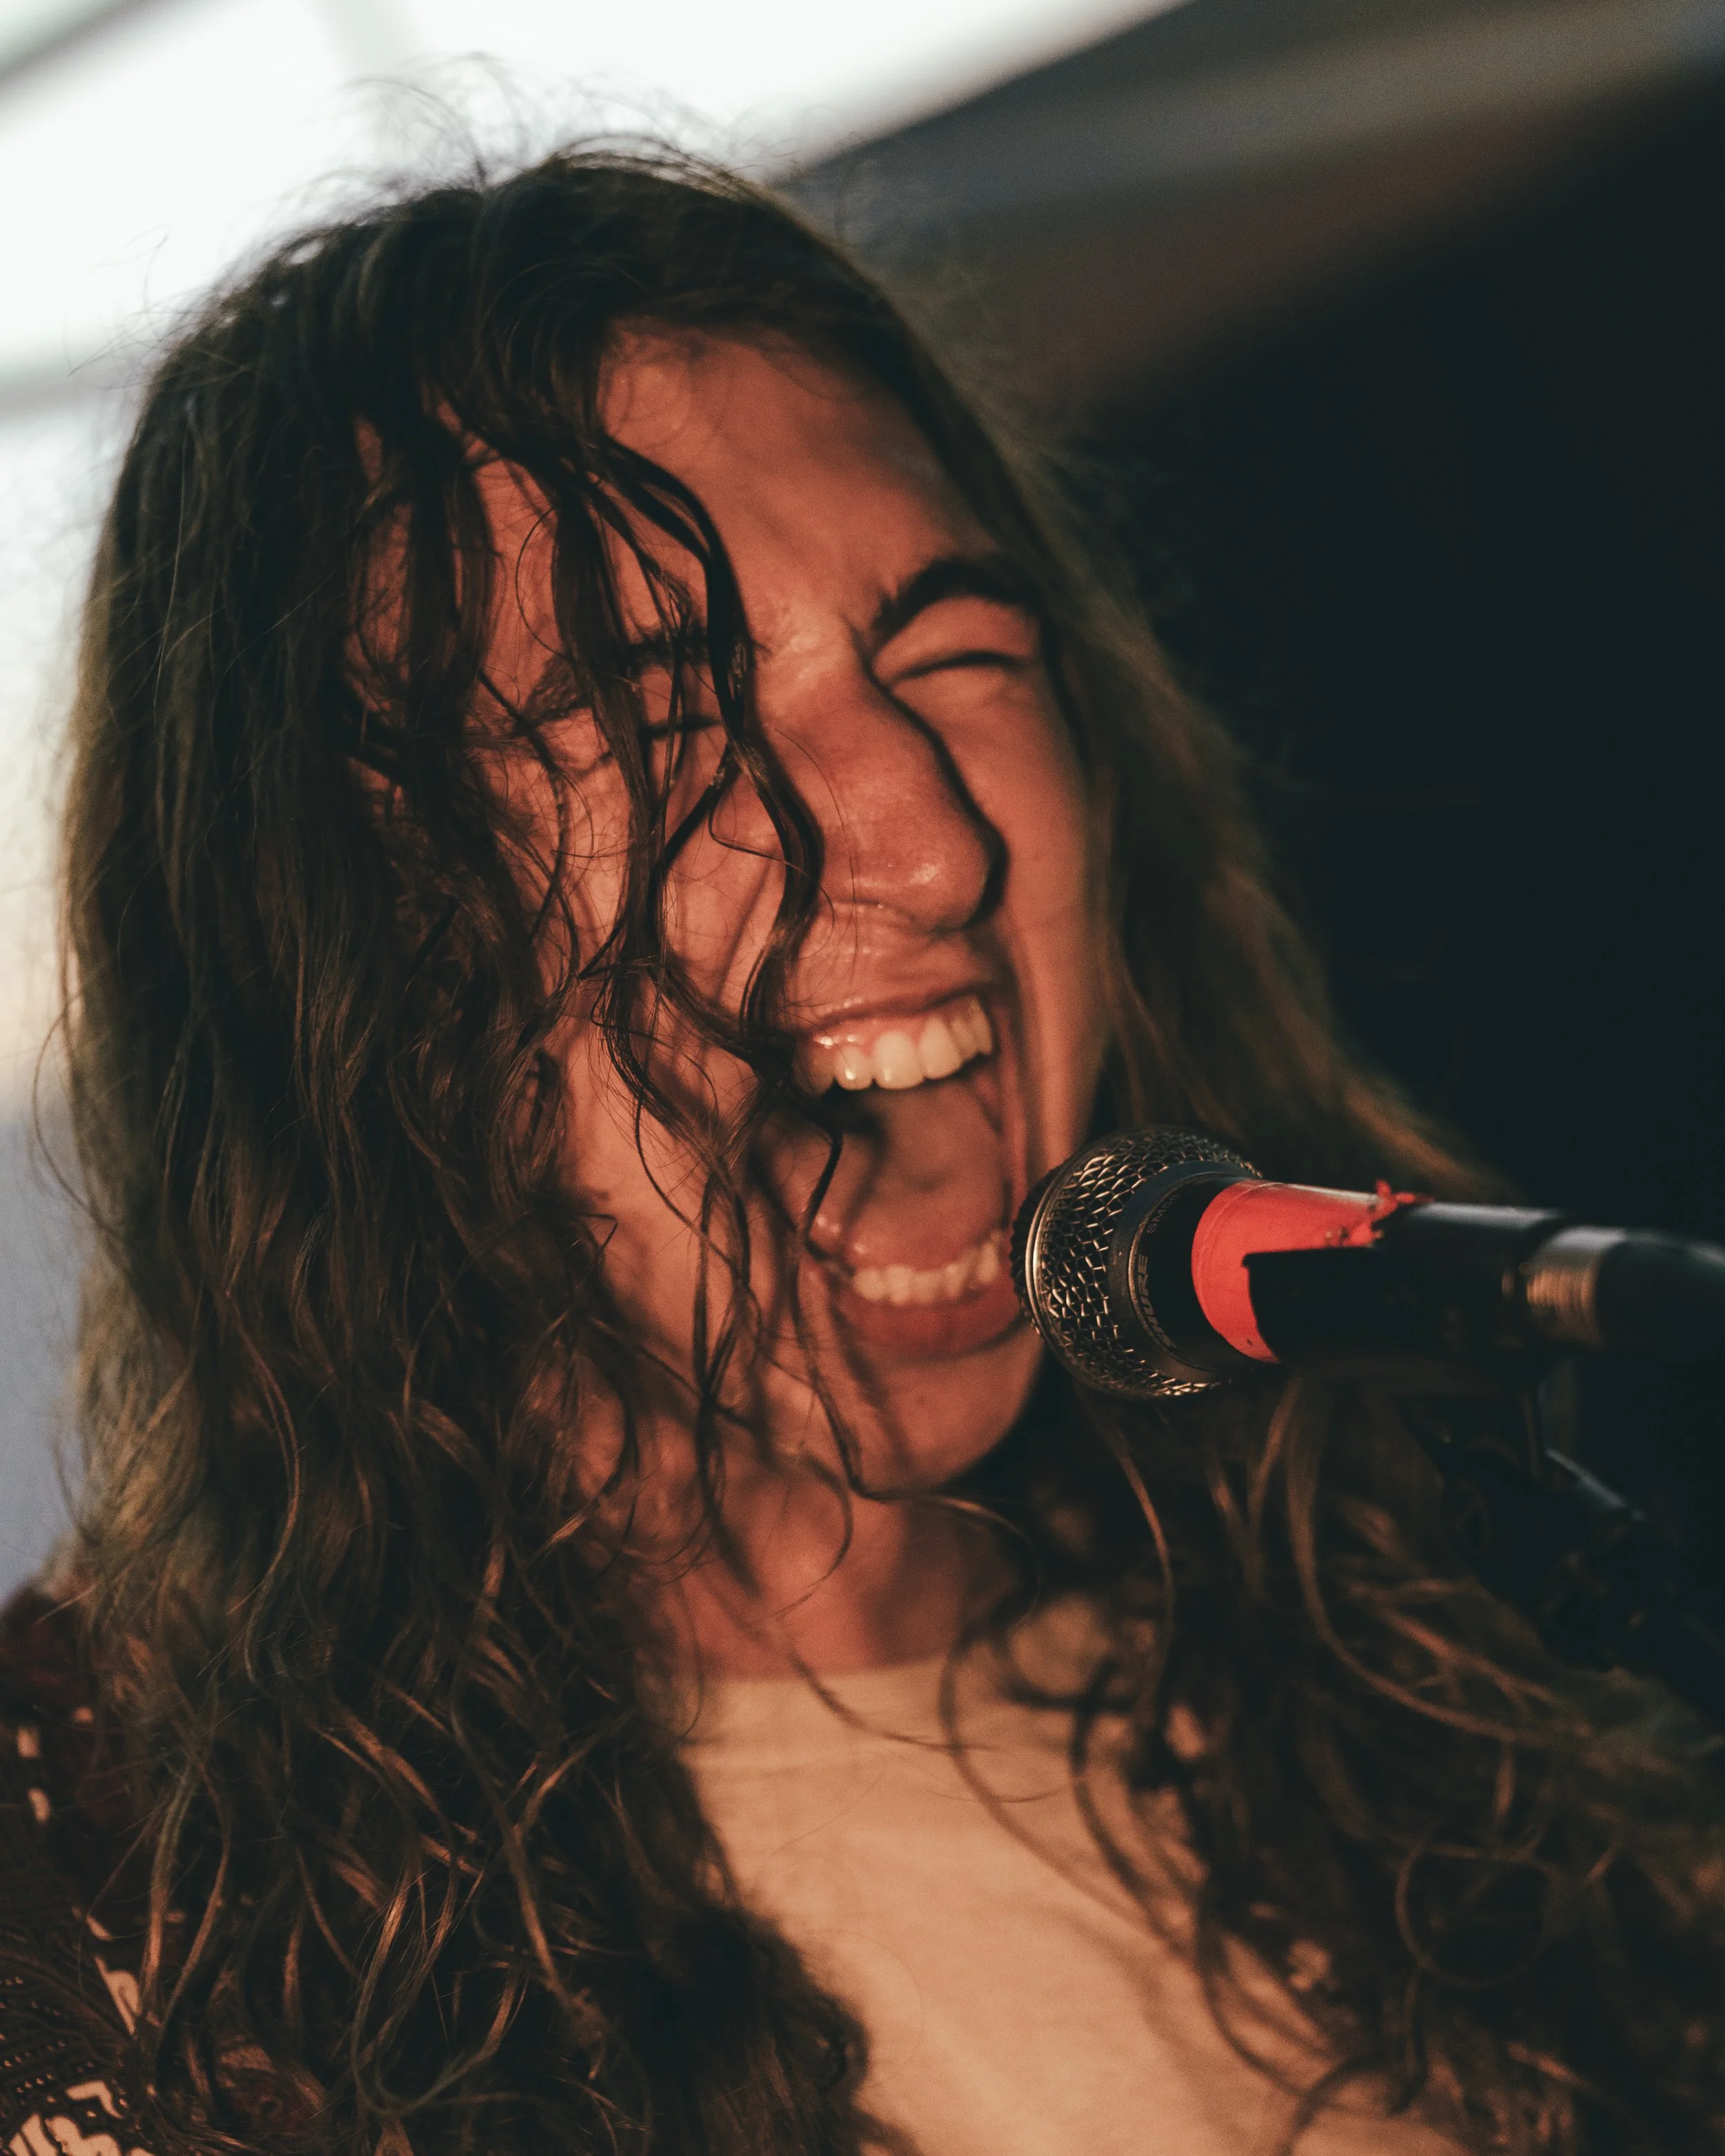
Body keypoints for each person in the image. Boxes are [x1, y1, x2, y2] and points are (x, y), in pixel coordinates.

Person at [0, 148, 1720, 2156]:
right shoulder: (99, 1920)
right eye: (662, 711)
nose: (926, 837)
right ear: (348, 953)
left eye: (953, 657)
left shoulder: (1457, 1689)